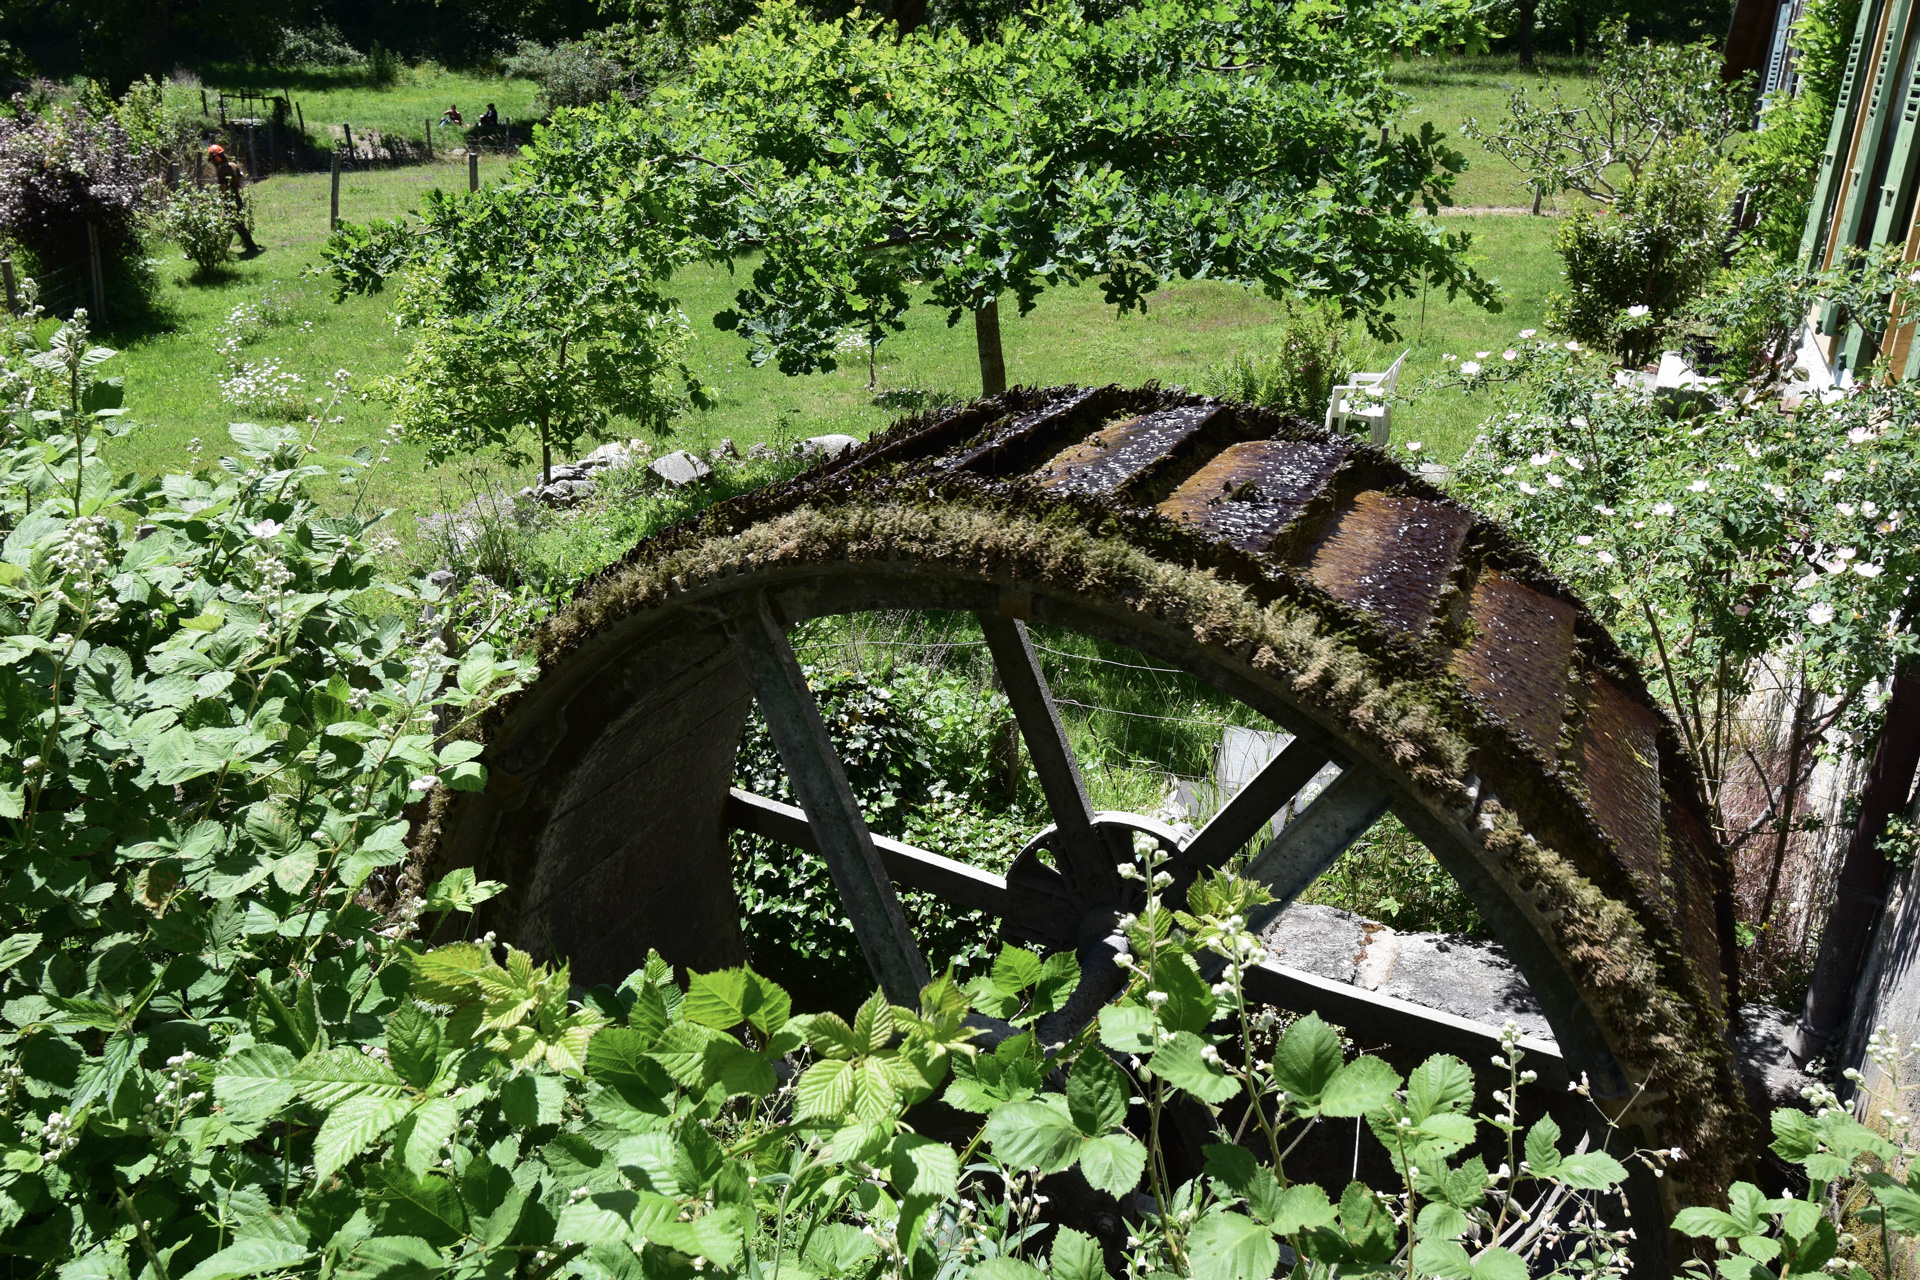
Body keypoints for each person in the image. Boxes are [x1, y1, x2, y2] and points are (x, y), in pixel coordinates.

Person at [205, 144, 259, 255]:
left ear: (217, 157)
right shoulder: (234, 165)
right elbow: (240, 178)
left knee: (236, 224)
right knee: (231, 223)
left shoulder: (222, 171)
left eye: (213, 159)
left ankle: (251, 246)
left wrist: (222, 199)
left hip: (229, 199)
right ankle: (224, 249)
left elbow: (223, 188)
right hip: (237, 196)